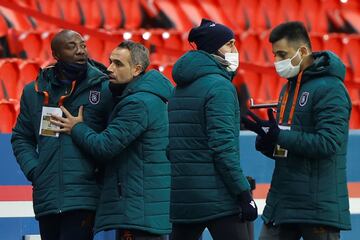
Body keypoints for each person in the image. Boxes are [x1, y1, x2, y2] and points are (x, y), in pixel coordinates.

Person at [50, 41, 173, 240]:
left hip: (137, 208)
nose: (109, 68)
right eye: (110, 62)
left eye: (118, 64)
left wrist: (77, 128)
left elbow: (105, 146)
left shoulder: (138, 103)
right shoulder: (145, 96)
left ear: (136, 69)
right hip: (143, 206)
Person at [242, 21, 352, 240]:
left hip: (318, 207)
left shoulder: (331, 89)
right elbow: (290, 145)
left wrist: (280, 136)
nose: (277, 61)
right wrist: (269, 144)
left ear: (302, 50)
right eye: (274, 55)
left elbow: (328, 143)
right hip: (283, 202)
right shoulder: (288, 89)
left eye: (282, 54)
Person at [11, 30, 113, 240]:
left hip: (84, 195)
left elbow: (112, 137)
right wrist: (35, 170)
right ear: (56, 54)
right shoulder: (34, 91)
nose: (80, 51)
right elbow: (21, 137)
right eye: (71, 46)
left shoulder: (104, 88)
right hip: (47, 195)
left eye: (82, 45)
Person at [167, 18, 258, 240]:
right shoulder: (220, 87)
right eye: (229, 44)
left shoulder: (179, 88)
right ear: (212, 48)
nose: (235, 50)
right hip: (219, 200)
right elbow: (223, 148)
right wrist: (243, 192)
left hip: (183, 199)